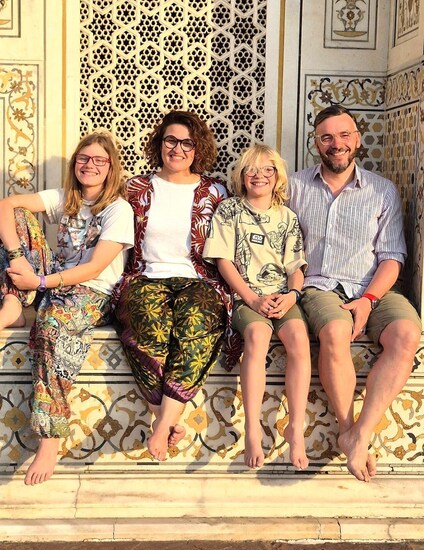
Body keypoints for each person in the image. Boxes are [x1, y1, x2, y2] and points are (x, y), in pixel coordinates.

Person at [289, 104, 422, 482]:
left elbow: (392, 257)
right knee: (335, 331)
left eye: (344, 135)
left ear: (358, 139)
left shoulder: (382, 190)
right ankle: (347, 428)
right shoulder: (294, 187)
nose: (337, 144)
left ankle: (360, 434)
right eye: (327, 137)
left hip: (372, 286)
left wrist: (367, 300)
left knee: (407, 334)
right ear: (316, 143)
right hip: (319, 285)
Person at [0, 131, 134, 485]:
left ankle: (49, 439)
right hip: (52, 283)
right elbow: (5, 205)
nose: (90, 165)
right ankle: (13, 303)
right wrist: (18, 259)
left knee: (50, 327)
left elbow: (95, 268)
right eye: (84, 159)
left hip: (92, 293)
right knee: (16, 215)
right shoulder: (65, 198)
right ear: (75, 163)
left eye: (99, 161)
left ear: (111, 168)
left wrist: (40, 282)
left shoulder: (118, 209)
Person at [113, 110, 232, 462]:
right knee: (148, 321)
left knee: (196, 322)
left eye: (187, 143)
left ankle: (162, 423)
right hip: (146, 275)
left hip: (199, 279)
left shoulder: (215, 192)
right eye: (171, 140)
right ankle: (166, 421)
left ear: (198, 149)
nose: (177, 149)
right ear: (159, 143)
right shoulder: (135, 189)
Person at [203, 144, 311, 470]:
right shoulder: (229, 210)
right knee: (258, 336)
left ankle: (295, 427)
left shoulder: (286, 217)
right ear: (241, 175)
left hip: (282, 296)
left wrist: (293, 295)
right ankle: (252, 429)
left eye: (267, 170)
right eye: (251, 169)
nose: (259, 175)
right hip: (246, 297)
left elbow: (295, 266)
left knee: (299, 339)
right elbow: (223, 261)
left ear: (277, 176)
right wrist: (251, 299)